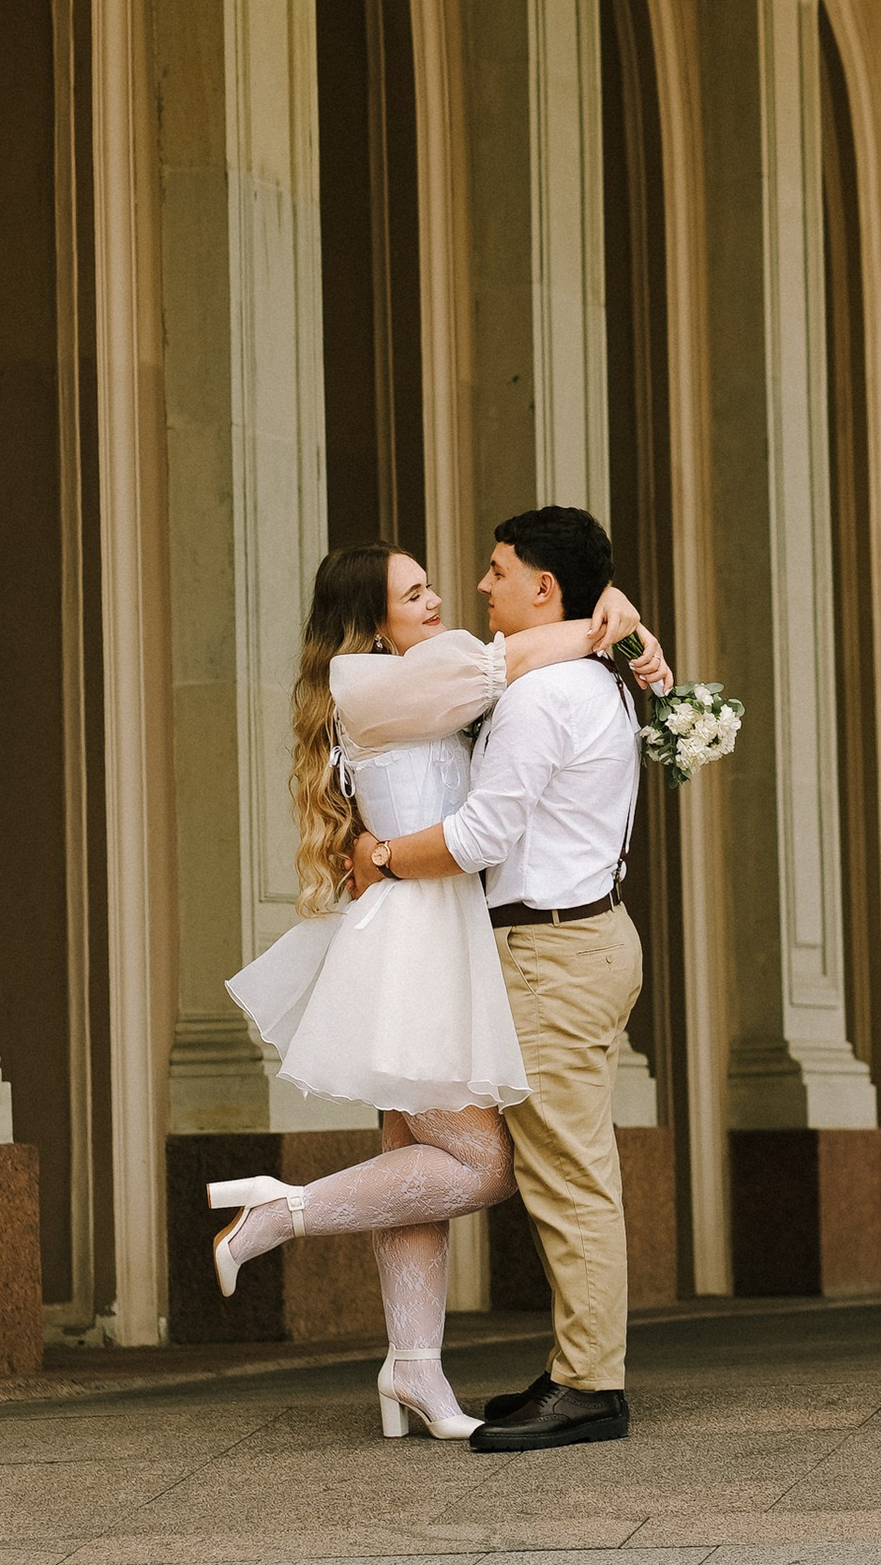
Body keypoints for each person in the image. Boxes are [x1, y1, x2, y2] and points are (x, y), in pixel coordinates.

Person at [210, 540, 667, 1441]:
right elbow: (522, 652)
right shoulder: (379, 684)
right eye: (414, 594)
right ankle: (281, 1212)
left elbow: (532, 641)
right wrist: (614, 616)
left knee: (409, 1158)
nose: (441, 599)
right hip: (421, 938)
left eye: (434, 587)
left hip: (443, 935)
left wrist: (611, 607)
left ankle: (413, 1370)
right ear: (369, 622)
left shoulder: (433, 671)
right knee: (486, 1165)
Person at [352, 504, 649, 1456]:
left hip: (553, 953)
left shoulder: (540, 695)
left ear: (544, 589)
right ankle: (571, 1368)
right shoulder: (587, 669)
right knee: (563, 1167)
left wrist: (385, 857)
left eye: (495, 570)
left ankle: (593, 1388)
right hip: (579, 938)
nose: (480, 586)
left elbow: (485, 835)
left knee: (567, 1176)